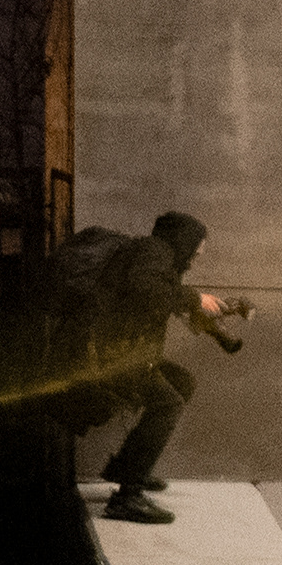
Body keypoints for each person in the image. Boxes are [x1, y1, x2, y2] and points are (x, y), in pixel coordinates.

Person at [61, 211, 250, 526]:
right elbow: (145, 289)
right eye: (194, 253)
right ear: (184, 243)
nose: (193, 261)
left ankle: (126, 467)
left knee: (182, 382)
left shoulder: (157, 258)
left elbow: (154, 299)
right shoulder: (152, 252)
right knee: (167, 402)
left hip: (125, 352)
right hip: (109, 355)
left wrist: (208, 320)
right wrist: (195, 299)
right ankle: (127, 497)